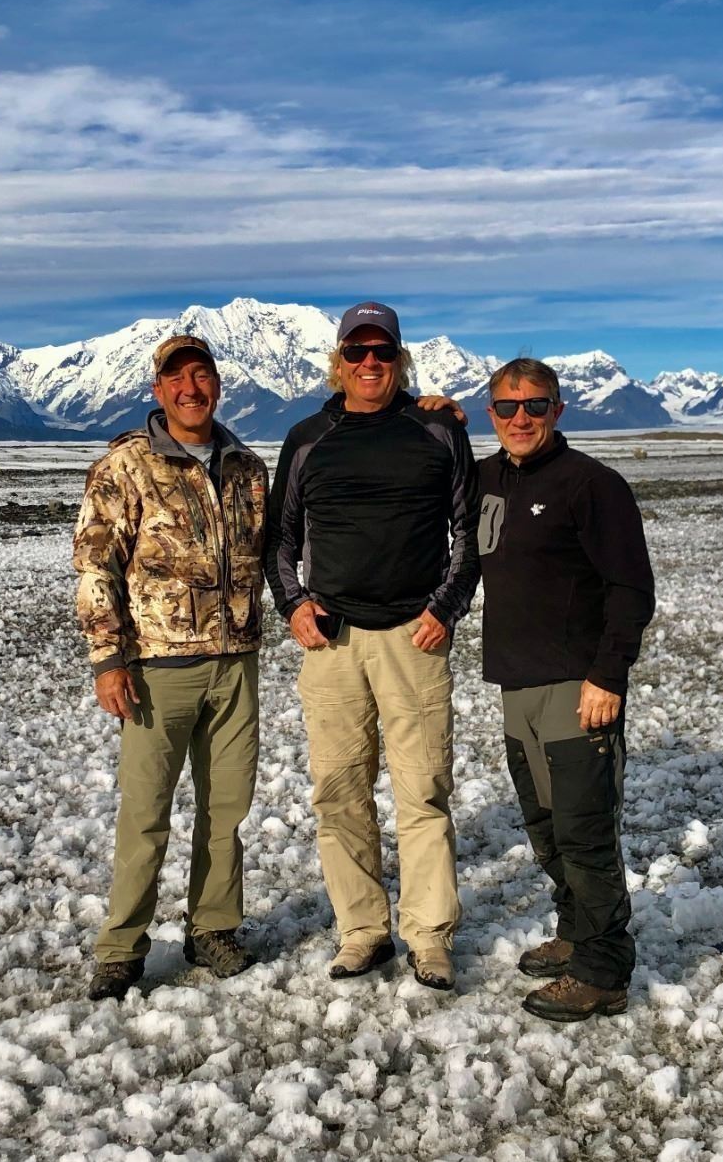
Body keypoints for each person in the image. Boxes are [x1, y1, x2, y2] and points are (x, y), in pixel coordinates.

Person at [265, 301, 480, 990]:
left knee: (423, 792)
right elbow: (280, 539)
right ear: (338, 361)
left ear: (399, 359)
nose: (368, 363)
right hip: (333, 643)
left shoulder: (438, 430)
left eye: (381, 352)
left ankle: (429, 937)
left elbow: (469, 532)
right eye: (355, 352)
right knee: (339, 792)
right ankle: (362, 931)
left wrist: (446, 606)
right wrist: (294, 605)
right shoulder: (307, 438)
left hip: (414, 638)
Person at [73, 334, 268, 1002]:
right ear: (158, 390)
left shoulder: (246, 466)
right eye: (176, 378)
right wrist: (108, 657)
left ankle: (212, 927)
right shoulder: (125, 466)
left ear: (218, 384)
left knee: (227, 808)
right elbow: (95, 564)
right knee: (146, 811)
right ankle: (122, 947)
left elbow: (274, 549)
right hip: (157, 667)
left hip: (235, 663)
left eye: (201, 375)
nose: (191, 389)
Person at [476, 357, 656, 1022]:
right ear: (491, 413)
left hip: (579, 685)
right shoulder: (485, 479)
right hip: (516, 683)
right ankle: (577, 930)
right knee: (547, 828)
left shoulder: (592, 485)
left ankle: (602, 971)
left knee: (584, 832)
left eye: (535, 405)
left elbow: (631, 589)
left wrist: (609, 675)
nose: (521, 418)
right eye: (507, 406)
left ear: (558, 410)